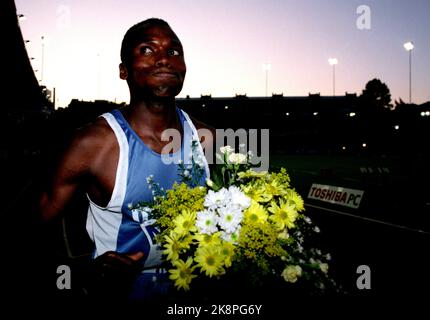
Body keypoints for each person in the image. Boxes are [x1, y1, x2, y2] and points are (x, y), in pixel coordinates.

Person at [39, 18, 213, 301]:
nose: (164, 60)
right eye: (147, 50)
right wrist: (80, 274)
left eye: (174, 52)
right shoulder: (92, 144)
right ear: (124, 71)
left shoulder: (208, 139)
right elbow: (27, 232)